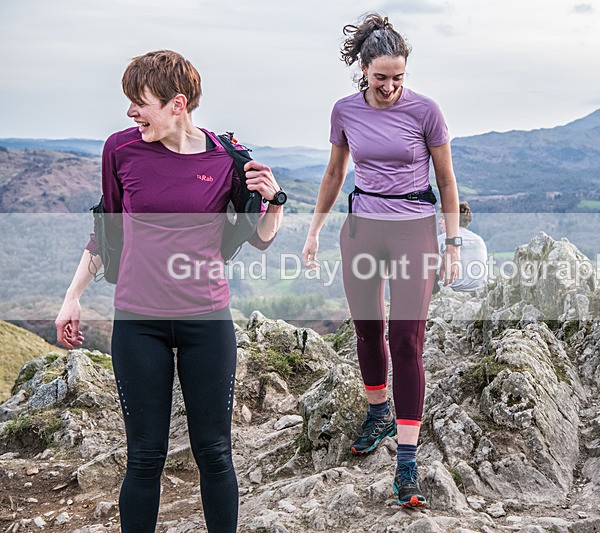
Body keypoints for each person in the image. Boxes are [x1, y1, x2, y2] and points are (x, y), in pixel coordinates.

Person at [54, 50, 283, 533]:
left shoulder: (226, 160)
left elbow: (258, 239)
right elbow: (107, 234)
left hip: (207, 320)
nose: (131, 113)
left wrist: (273, 201)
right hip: (139, 322)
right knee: (144, 457)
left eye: (140, 103)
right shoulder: (121, 150)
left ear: (177, 104)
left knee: (215, 453)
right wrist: (72, 296)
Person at [302, 13, 461, 508]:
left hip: (415, 229)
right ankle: (378, 412)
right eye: (381, 78)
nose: (390, 87)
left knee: (406, 340)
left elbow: (447, 181)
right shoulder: (345, 112)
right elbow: (333, 174)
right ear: (363, 71)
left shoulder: (426, 111)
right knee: (367, 328)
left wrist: (451, 243)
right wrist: (313, 232)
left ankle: (407, 464)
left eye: (398, 77)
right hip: (362, 228)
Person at [435, 202, 488, 292]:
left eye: (443, 218)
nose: (439, 222)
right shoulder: (479, 240)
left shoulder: (441, 240)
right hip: (480, 291)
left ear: (451, 220)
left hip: (451, 292)